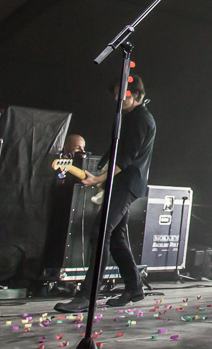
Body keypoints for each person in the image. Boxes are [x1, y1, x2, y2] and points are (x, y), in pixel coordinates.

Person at [55, 76, 155, 312]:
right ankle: (134, 286)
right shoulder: (126, 117)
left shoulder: (141, 119)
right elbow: (115, 150)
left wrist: (100, 178)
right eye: (116, 94)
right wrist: (100, 173)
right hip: (118, 182)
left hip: (127, 184)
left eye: (124, 93)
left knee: (101, 232)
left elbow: (127, 157)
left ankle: (87, 295)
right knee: (116, 237)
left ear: (137, 94)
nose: (118, 98)